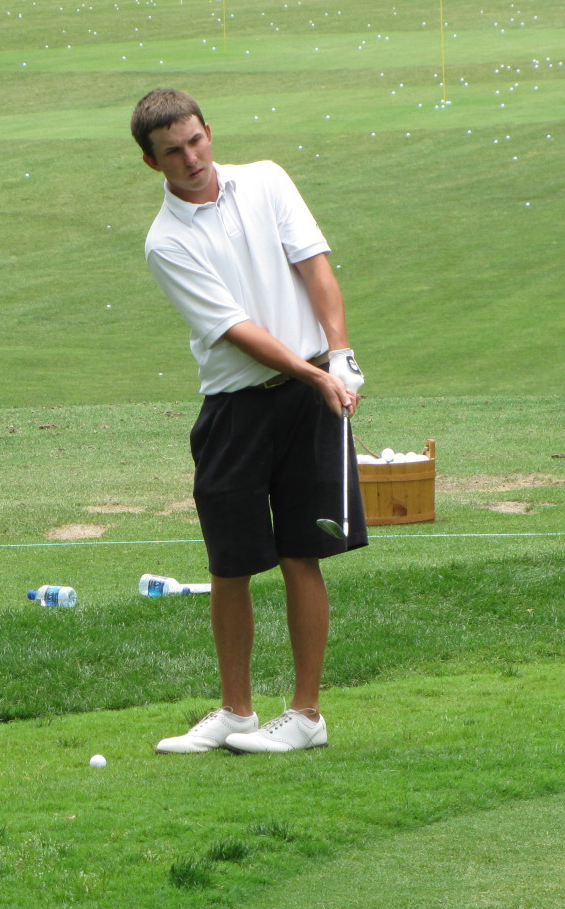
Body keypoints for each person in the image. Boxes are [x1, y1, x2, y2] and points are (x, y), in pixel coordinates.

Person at [131, 88, 368, 755]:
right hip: (237, 407)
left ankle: (305, 716)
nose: (191, 158)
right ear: (153, 165)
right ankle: (237, 711)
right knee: (230, 563)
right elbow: (234, 328)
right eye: (173, 152)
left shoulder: (266, 180)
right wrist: (318, 373)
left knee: (302, 553)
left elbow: (314, 266)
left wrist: (340, 351)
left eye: (196, 141)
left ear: (209, 130)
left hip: (309, 397)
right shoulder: (166, 241)